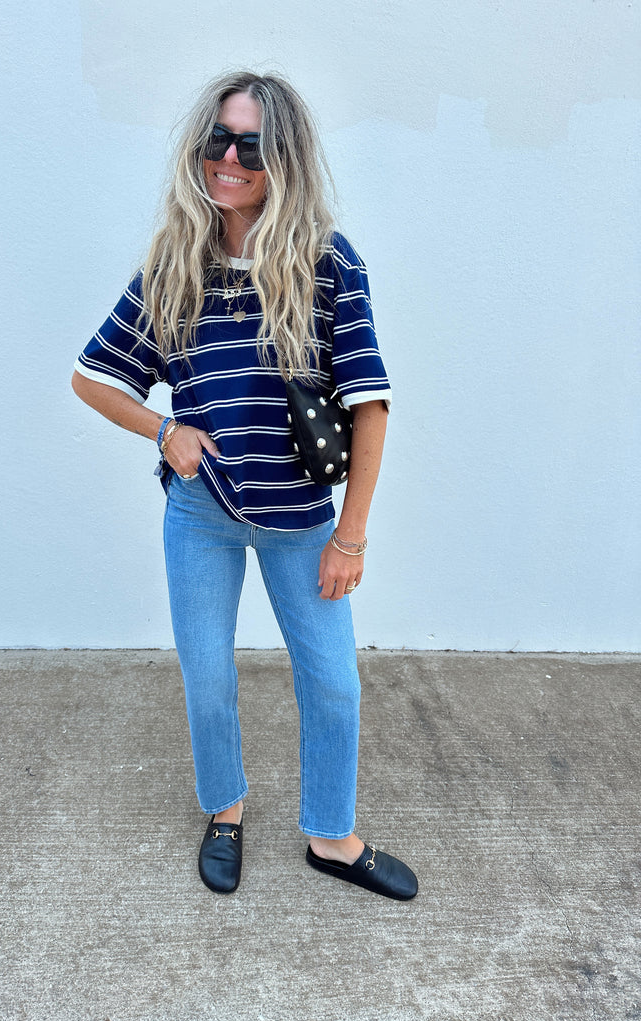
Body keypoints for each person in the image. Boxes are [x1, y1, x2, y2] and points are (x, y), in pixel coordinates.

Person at [72, 71, 417, 900]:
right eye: (217, 140)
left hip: (303, 520)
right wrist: (165, 430)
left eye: (251, 146)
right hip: (203, 514)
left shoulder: (328, 262)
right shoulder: (175, 266)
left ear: (283, 158)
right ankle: (224, 811)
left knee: (332, 682)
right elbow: (92, 377)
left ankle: (331, 836)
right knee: (208, 675)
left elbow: (370, 406)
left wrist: (351, 536)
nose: (229, 158)